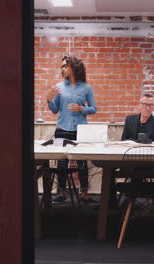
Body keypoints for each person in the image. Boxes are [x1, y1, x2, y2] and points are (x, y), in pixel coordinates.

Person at [46, 55, 97, 204]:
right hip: (62, 129)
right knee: (62, 163)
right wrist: (49, 100)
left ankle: (85, 193)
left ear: (74, 67)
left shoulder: (86, 87)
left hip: (81, 130)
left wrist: (82, 109)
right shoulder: (59, 87)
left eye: (65, 66)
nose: (62, 69)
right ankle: (61, 193)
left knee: (82, 163)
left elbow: (93, 108)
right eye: (61, 66)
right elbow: (54, 110)